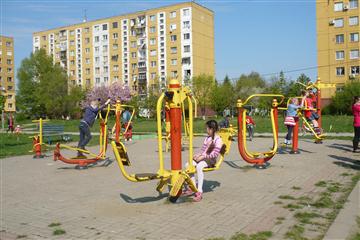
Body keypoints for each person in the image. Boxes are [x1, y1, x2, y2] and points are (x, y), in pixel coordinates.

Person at [182, 120, 223, 202]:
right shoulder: (207, 138)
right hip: (203, 157)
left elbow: (214, 154)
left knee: (199, 166)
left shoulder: (218, 140)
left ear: (211, 129)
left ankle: (199, 191)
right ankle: (193, 187)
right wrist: (198, 155)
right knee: (187, 165)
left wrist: (202, 157)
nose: (206, 130)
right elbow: (203, 150)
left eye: (207, 128)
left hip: (210, 160)